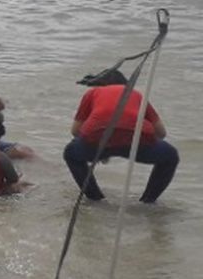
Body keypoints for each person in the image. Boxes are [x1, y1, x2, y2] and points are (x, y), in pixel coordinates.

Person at [63, 69, 178, 203]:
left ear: (100, 84)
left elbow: (75, 131)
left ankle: (95, 198)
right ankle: (148, 201)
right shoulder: (136, 94)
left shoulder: (92, 93)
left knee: (71, 153)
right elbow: (161, 133)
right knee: (170, 156)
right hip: (136, 139)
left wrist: (102, 147)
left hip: (98, 139)